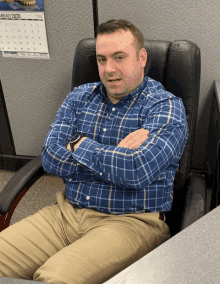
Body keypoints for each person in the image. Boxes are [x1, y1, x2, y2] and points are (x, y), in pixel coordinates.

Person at [0, 19, 189, 284]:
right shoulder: (79, 98)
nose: (109, 69)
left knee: (53, 278)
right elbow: (50, 157)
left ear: (141, 57)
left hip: (131, 222)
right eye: (102, 59)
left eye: (119, 57)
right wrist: (114, 154)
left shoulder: (165, 107)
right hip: (65, 213)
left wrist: (76, 144)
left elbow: (136, 170)